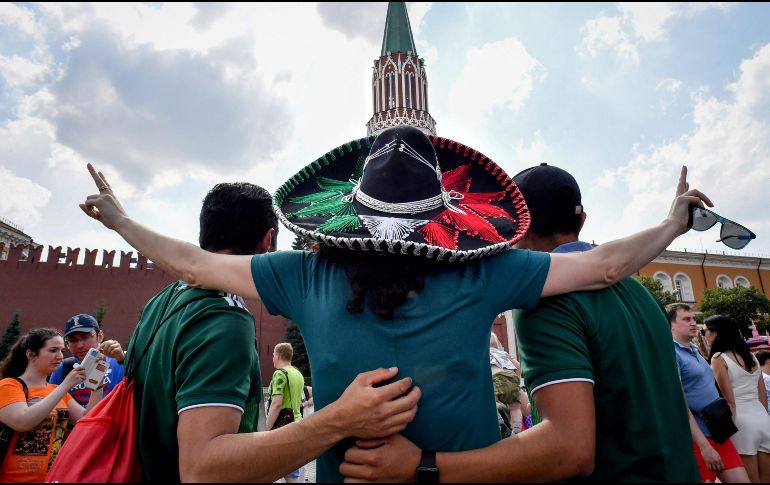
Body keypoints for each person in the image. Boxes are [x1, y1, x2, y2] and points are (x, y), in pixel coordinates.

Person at [80, 125, 711, 482]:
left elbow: (195, 264)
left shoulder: (304, 275)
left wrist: (122, 222)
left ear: (353, 210)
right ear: (442, 215)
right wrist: (670, 226)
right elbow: (602, 267)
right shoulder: (486, 275)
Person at [340, 163, 700, 482]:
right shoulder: (641, 294)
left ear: (515, 227)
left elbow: (569, 451)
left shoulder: (546, 303)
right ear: (582, 219)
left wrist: (422, 466)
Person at [81, 181, 420, 482]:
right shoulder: (222, 318)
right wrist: (337, 421)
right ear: (268, 240)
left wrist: (122, 222)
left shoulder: (163, 301)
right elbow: (203, 470)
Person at [0, 328, 103, 482]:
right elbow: (21, 422)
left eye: (61, 350)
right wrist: (65, 385)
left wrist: (97, 383)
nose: (60, 356)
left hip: (53, 477)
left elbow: (85, 418)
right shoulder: (8, 386)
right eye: (53, 350)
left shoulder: (55, 390)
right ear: (31, 354)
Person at [670, 304, 750, 483]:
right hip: (698, 439)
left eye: (694, 319)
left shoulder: (694, 350)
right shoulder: (672, 353)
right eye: (686, 319)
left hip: (718, 432)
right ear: (671, 325)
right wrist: (704, 446)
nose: (693, 323)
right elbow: (679, 404)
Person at [704, 314, 770, 483]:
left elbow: (728, 399)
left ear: (716, 333)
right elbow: (762, 394)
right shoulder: (752, 357)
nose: (704, 336)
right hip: (762, 418)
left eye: (705, 332)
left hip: (740, 421)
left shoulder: (719, 358)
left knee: (749, 479)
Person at [48, 314, 125, 407]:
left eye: (85, 337)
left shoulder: (119, 361)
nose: (80, 345)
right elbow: (51, 407)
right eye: (72, 340)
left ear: (100, 336)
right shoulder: (62, 368)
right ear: (67, 344)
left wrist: (123, 360)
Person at [267, 342, 305, 482]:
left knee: (270, 469)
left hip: (282, 427)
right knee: (291, 470)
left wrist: (267, 427)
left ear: (277, 356)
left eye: (273, 355)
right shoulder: (298, 374)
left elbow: (276, 403)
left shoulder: (280, 374)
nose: (272, 358)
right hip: (297, 422)